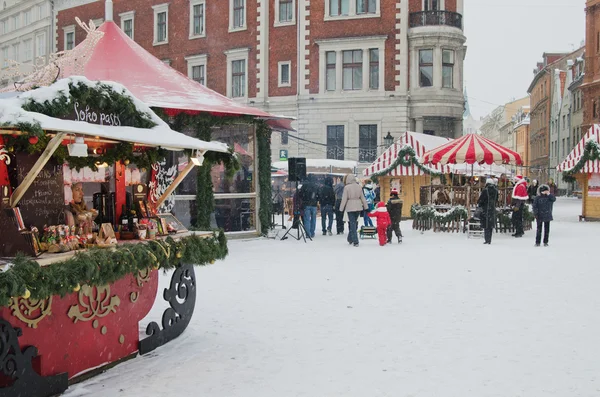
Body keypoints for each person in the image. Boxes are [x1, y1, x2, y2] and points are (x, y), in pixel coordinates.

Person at [340, 174, 368, 247]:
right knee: (354, 223)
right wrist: (366, 207)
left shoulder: (346, 187)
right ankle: (350, 238)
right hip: (358, 206)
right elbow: (363, 198)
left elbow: (344, 199)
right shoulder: (359, 187)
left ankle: (355, 241)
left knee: (352, 223)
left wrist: (341, 208)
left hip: (350, 206)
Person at [477, 178, 498, 245]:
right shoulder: (495, 191)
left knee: (486, 225)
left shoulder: (485, 190)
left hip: (485, 209)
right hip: (492, 209)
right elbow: (496, 200)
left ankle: (487, 239)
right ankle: (489, 239)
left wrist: (480, 204)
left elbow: (480, 200)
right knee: (490, 225)